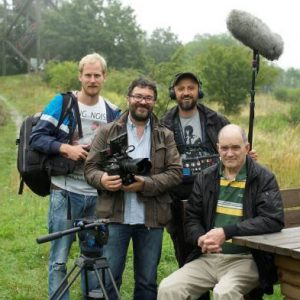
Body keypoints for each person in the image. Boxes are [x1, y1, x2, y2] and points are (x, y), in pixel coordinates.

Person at [30, 53, 121, 299]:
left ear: (105, 77)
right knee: (59, 259)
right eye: (88, 75)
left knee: (94, 258)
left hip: (97, 194)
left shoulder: (113, 111)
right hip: (65, 191)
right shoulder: (63, 103)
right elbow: (36, 137)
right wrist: (66, 148)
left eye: (97, 75)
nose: (92, 80)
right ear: (80, 76)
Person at [157, 124, 284, 300]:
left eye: (235, 148)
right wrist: (200, 238)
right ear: (218, 148)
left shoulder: (262, 177)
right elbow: (192, 218)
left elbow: (272, 220)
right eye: (224, 148)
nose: (229, 153)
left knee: (224, 292)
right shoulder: (206, 177)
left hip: (246, 259)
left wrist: (227, 232)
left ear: (246, 148)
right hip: (208, 258)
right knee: (168, 288)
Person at [84, 77, 182, 300]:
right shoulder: (107, 132)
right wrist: (103, 180)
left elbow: (176, 173)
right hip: (114, 217)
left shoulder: (164, 135)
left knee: (147, 282)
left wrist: (145, 184)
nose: (142, 102)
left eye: (148, 98)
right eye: (138, 96)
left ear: (154, 102)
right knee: (109, 280)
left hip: (152, 218)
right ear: (128, 98)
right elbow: (90, 168)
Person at [161, 72, 230, 268]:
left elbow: (234, 147)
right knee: (188, 260)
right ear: (173, 92)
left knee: (220, 256)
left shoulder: (217, 120)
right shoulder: (163, 124)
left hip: (215, 196)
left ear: (199, 90)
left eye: (190, 88)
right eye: (181, 88)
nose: (186, 92)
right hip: (178, 201)